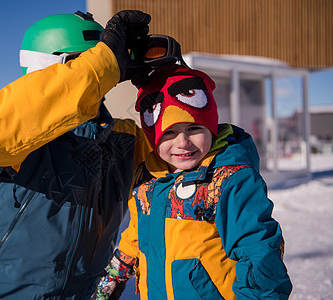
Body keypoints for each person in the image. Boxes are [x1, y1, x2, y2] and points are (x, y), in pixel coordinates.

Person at [0, 10, 154, 299]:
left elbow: (179, 165)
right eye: (83, 65)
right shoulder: (14, 140)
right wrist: (100, 66)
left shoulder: (124, 138)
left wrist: (166, 82)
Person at [93, 66, 293, 299]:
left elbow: (258, 249)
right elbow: (137, 233)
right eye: (169, 133)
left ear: (211, 129)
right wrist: (115, 275)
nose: (183, 142)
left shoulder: (228, 179)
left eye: (194, 128)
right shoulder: (148, 178)